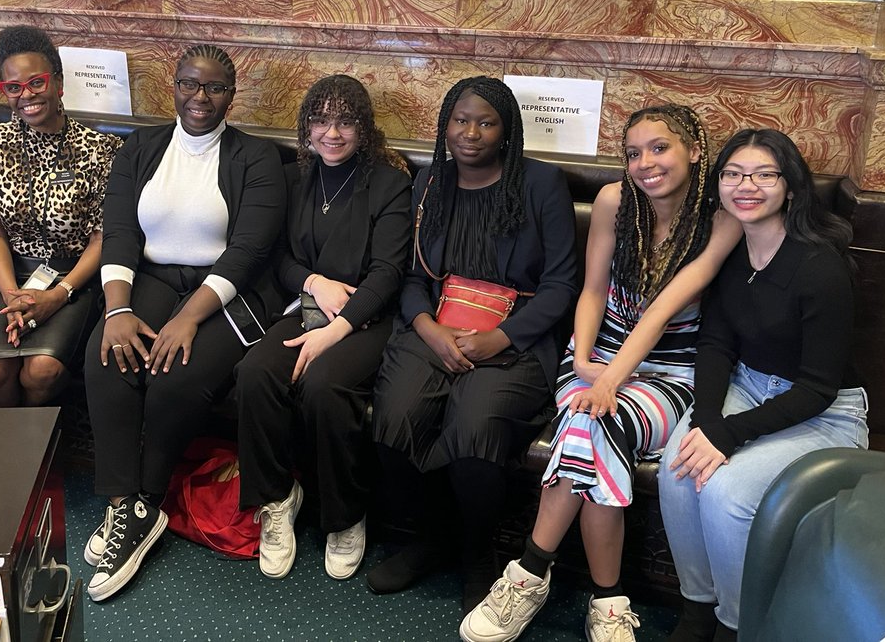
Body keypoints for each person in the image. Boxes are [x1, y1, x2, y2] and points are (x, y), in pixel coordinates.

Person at [461, 105, 741, 642]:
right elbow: (591, 292)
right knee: (593, 424)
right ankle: (608, 600)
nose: (645, 163)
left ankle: (528, 572)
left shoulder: (720, 216)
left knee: (592, 426)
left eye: (660, 148)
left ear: (696, 150)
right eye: (633, 153)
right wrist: (587, 361)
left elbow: (662, 309)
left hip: (671, 370)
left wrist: (612, 379)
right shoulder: (616, 201)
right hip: (596, 352)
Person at [82, 43, 285, 603]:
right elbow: (121, 233)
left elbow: (246, 253)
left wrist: (188, 320)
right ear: (172, 86)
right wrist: (118, 310)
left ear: (231, 95)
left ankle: (144, 499)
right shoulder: (139, 148)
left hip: (227, 288)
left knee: (178, 371)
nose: (201, 97)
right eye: (189, 84)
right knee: (107, 355)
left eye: (215, 87)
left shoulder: (257, 158)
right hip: (149, 277)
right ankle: (128, 505)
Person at [368, 76, 578, 612]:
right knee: (394, 414)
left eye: (486, 122)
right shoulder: (429, 185)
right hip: (436, 324)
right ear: (445, 126)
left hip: (517, 333)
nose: (471, 133)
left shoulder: (541, 185)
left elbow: (561, 286)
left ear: (507, 131)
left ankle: (476, 552)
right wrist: (428, 329)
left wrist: (499, 339)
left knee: (476, 423)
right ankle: (427, 538)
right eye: (461, 120)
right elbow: (411, 277)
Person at [657, 129, 868, 642]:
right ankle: (697, 608)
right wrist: (707, 420)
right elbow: (716, 345)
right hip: (747, 386)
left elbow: (818, 389)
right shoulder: (732, 251)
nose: (745, 186)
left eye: (763, 175)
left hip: (825, 412)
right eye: (733, 174)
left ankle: (738, 623)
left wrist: (728, 435)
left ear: (790, 187)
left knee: (727, 490)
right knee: (677, 467)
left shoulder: (821, 267)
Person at [235, 75, 412, 581]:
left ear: (364, 128)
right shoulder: (294, 178)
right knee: (254, 372)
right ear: (306, 126)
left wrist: (337, 328)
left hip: (367, 317)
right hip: (307, 304)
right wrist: (315, 283)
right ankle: (275, 498)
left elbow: (389, 273)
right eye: (321, 120)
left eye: (345, 121)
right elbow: (279, 256)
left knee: (323, 384)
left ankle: (345, 514)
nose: (331, 133)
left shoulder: (389, 183)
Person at [0, 25, 121, 407]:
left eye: (37, 82)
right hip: (9, 275)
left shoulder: (101, 148)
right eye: (13, 88)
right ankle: (6, 463)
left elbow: (104, 237)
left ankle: (43, 459)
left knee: (41, 371)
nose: (26, 95)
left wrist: (56, 295)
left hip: (73, 279)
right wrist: (11, 296)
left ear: (59, 83)